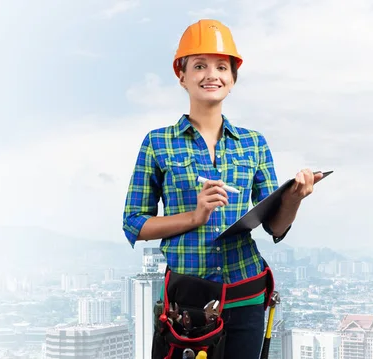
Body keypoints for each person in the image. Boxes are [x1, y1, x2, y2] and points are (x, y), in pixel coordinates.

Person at [122, 18, 323, 359]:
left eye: (221, 67)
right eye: (198, 66)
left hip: (247, 294)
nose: (210, 74)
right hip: (189, 303)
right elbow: (134, 223)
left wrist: (293, 199)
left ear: (232, 79)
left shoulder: (253, 144)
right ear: (181, 76)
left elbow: (275, 225)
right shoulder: (158, 143)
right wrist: (194, 216)